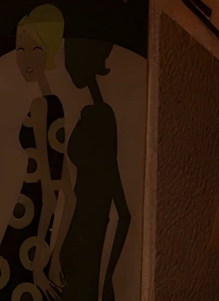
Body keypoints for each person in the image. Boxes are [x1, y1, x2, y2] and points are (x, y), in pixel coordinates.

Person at [0, 5, 67, 301]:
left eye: (36, 49)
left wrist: (38, 260)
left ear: (50, 51)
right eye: (20, 48)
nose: (26, 59)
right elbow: (67, 191)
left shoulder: (43, 106)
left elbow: (52, 189)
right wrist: (52, 254)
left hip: (28, 218)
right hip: (33, 220)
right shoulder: (56, 105)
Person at [49, 39, 132, 301]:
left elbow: (123, 213)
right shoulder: (91, 113)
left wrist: (105, 280)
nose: (68, 67)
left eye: (71, 60)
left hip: (87, 248)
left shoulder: (101, 118)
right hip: (78, 244)